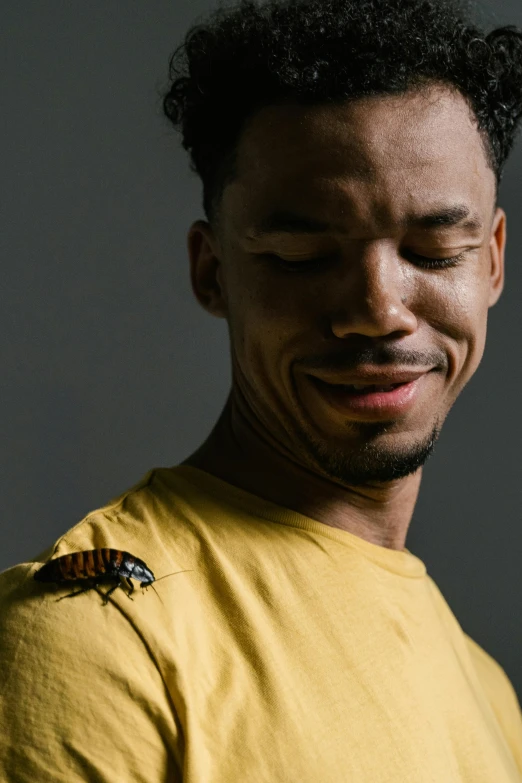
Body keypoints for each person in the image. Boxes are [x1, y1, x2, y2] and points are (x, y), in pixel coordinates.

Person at [1, 0, 522, 779]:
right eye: (303, 255)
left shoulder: (492, 695)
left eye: (435, 250)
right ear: (213, 272)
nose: (378, 309)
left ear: (492, 262)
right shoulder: (95, 637)